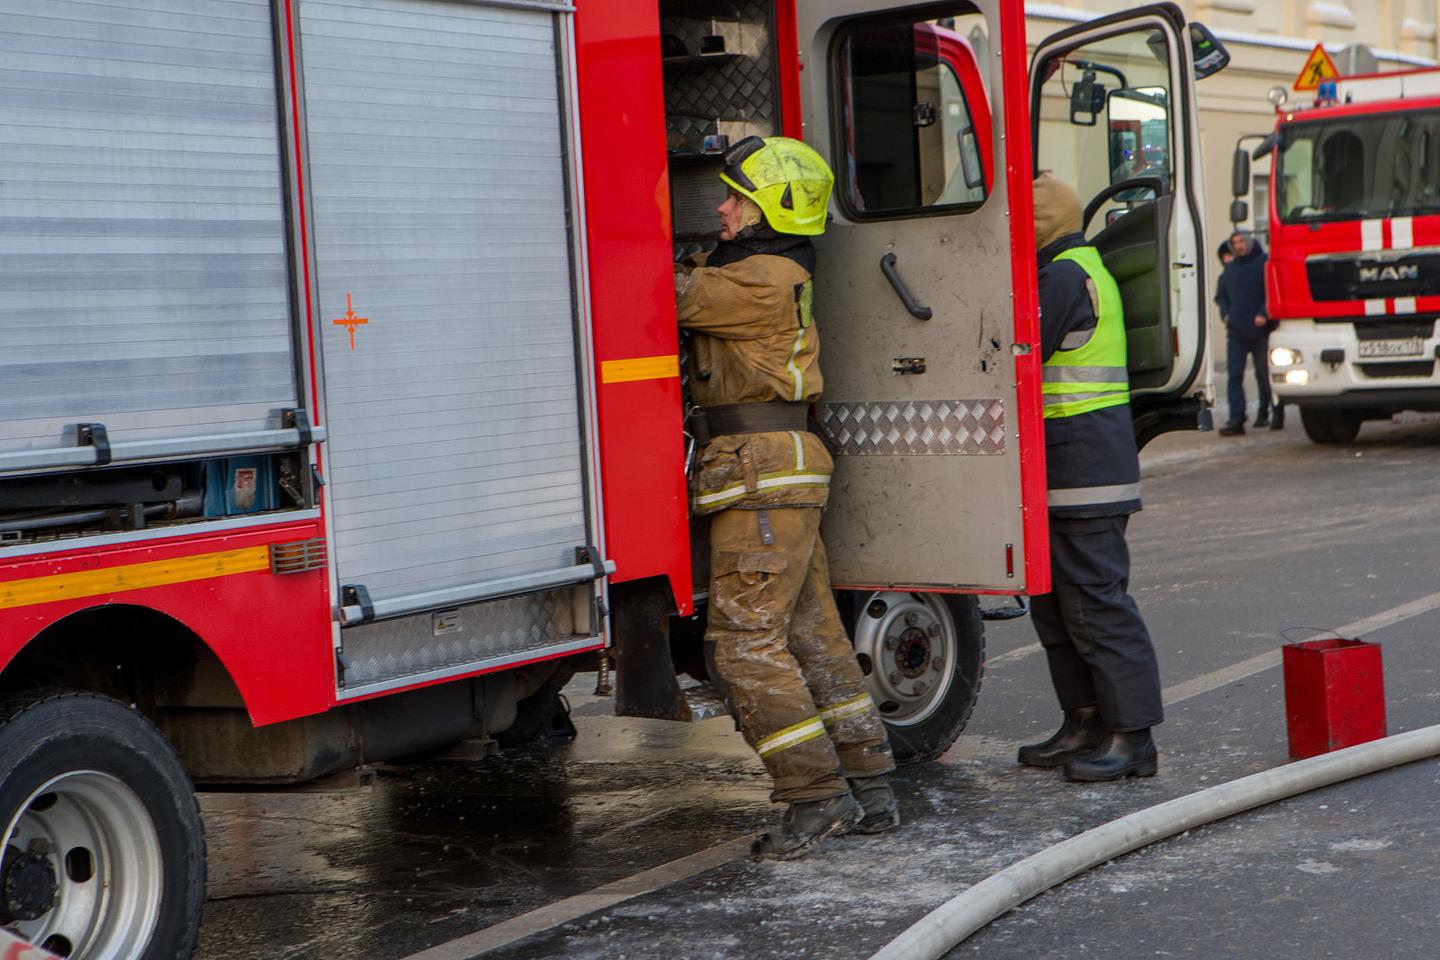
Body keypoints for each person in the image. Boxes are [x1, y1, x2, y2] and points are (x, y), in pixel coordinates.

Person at [676, 136, 898, 859]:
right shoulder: (780, 272)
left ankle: (814, 798)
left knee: (744, 644)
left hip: (759, 473)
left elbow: (661, 291)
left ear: (769, 207)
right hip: (781, 467)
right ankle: (870, 786)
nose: (722, 207)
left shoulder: (759, 278)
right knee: (812, 634)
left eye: (735, 197)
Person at [1017, 173, 1163, 782]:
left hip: (1084, 469)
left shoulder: (1063, 276)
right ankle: (1082, 722)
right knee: (1055, 607)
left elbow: (1017, 349)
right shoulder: (1077, 267)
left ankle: (1133, 738)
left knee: (1096, 606)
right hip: (1065, 466)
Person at [1215, 230, 1281, 435]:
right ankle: (1236, 419)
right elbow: (1221, 296)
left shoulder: (1264, 262)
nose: (1239, 245)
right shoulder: (1231, 269)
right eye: (1235, 242)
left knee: (1265, 375)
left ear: (1250, 242)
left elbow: (1274, 290)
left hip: (1261, 330)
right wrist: (1226, 314)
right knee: (1234, 376)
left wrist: (1264, 313)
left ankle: (1275, 412)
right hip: (1236, 331)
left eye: (1242, 241)